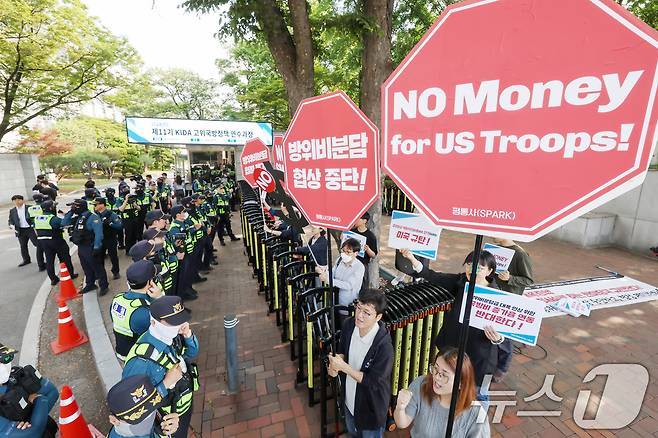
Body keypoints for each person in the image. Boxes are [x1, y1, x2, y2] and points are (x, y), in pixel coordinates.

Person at [401, 249, 503, 407]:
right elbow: (436, 276)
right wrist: (413, 260)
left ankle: (477, 425)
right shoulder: (462, 282)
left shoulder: (497, 297)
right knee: (450, 388)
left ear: (490, 271)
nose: (471, 270)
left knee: (477, 397)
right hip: (453, 350)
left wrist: (498, 338)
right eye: (469, 265)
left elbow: (506, 337)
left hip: (479, 359)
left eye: (479, 268)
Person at [123, 296, 200, 438]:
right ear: (153, 322)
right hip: (167, 423)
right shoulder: (140, 362)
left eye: (180, 319)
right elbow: (134, 408)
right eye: (172, 322)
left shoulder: (173, 335)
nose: (179, 325)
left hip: (183, 404)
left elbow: (191, 354)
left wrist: (188, 335)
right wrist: (166, 383)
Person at [327, 289, 393, 438]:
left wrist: (344, 367)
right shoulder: (349, 325)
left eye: (367, 312)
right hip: (350, 402)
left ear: (378, 317)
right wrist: (334, 366)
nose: (359, 315)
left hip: (371, 409)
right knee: (352, 432)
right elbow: (342, 350)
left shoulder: (384, 347)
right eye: (358, 308)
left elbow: (373, 382)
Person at [394, 348, 490, 438]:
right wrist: (400, 408)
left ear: (461, 383)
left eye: (444, 375)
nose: (436, 377)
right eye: (435, 368)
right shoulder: (421, 384)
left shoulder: (477, 415)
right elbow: (402, 423)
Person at [0, 343, 60, 437]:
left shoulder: (14, 377)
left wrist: (31, 421)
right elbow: (32, 434)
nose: (4, 366)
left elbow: (52, 392)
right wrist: (38, 402)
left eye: (5, 359)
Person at [111, 260, 163, 362]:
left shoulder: (117, 299)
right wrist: (160, 298)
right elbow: (166, 328)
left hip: (123, 352)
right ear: (150, 282)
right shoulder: (144, 312)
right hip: (140, 359)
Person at [107, 374, 180, 438]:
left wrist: (163, 431)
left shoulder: (134, 432)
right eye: (140, 418)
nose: (149, 418)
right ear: (114, 420)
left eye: (151, 409)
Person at [62, 198, 108, 294]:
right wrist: (71, 212)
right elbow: (64, 223)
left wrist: (96, 247)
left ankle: (104, 286)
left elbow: (99, 234)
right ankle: (90, 284)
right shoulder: (78, 217)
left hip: (90, 246)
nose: (73, 208)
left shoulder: (93, 217)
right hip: (81, 246)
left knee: (97, 267)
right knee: (86, 267)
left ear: (81, 207)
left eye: (75, 207)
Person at [32, 200, 78, 286]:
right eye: (54, 206)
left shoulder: (37, 218)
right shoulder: (53, 219)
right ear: (51, 208)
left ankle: (53, 279)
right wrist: (70, 212)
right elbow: (64, 223)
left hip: (43, 242)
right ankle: (70, 274)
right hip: (56, 241)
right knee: (65, 257)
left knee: (49, 260)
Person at [318, 238, 365, 314]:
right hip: (334, 299)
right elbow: (333, 272)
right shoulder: (340, 260)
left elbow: (349, 285)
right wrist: (324, 272)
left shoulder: (359, 267)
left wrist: (329, 280)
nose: (344, 254)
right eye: (343, 251)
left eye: (348, 252)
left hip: (347, 304)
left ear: (356, 253)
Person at [168, 205, 198, 301]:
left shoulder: (183, 223)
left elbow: (187, 233)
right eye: (183, 212)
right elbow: (177, 243)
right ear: (177, 215)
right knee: (182, 276)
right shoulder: (174, 227)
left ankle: (188, 289)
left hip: (189, 251)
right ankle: (183, 295)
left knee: (188, 273)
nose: (185, 214)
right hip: (182, 255)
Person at [8, 195, 45, 270]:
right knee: (23, 246)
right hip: (20, 230)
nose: (17, 202)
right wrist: (11, 225)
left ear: (23, 200)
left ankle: (43, 260)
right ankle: (26, 260)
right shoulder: (12, 210)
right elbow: (10, 220)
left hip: (30, 229)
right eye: (14, 201)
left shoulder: (30, 208)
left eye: (18, 200)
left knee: (37, 244)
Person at [95, 197, 123, 282]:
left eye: (96, 204)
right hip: (100, 240)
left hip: (110, 238)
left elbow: (119, 226)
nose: (94, 206)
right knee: (99, 258)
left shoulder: (111, 214)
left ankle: (116, 272)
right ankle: (101, 274)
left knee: (113, 256)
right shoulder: (95, 215)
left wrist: (110, 223)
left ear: (102, 205)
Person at [351, 212, 378, 290]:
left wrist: (368, 250)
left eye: (357, 218)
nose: (355, 220)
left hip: (362, 264)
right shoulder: (352, 232)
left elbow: (373, 255)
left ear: (364, 221)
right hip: (351, 262)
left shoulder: (370, 236)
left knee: (363, 287)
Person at [119, 187, 142, 254]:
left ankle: (134, 248)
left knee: (135, 234)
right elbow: (121, 209)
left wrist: (134, 203)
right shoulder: (120, 199)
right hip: (126, 220)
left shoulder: (134, 198)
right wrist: (126, 200)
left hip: (135, 218)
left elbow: (139, 209)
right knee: (128, 235)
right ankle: (128, 250)